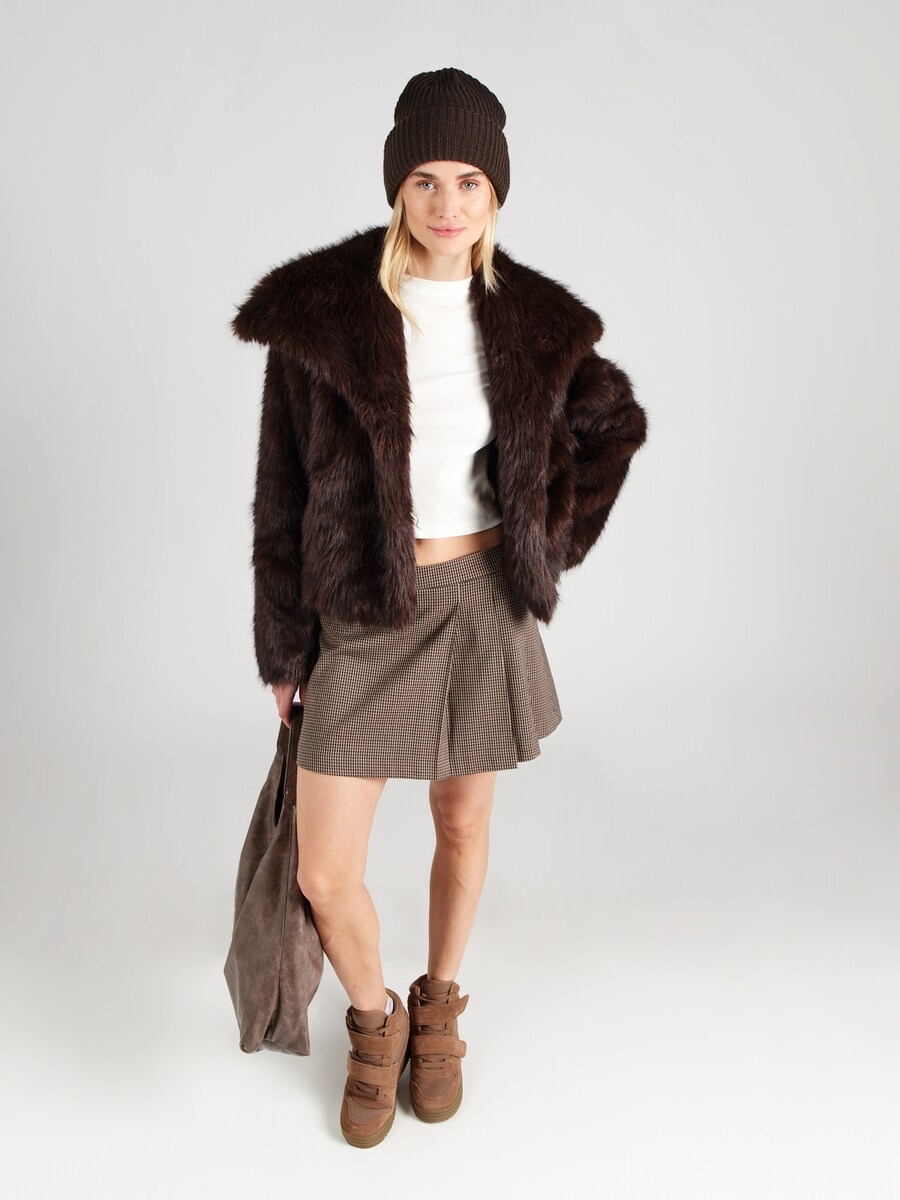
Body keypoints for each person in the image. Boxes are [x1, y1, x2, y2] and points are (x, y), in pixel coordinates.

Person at [231, 67, 648, 1148]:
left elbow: (612, 424)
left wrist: (546, 537)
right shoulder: (325, 318)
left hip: (479, 602)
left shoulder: (534, 321)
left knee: (462, 821)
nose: (448, 203)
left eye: (469, 181)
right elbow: (281, 492)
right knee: (325, 870)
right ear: (397, 187)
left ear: (496, 191)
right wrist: (285, 646)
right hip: (365, 610)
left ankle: (440, 1005)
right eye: (426, 179)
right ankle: (374, 1021)